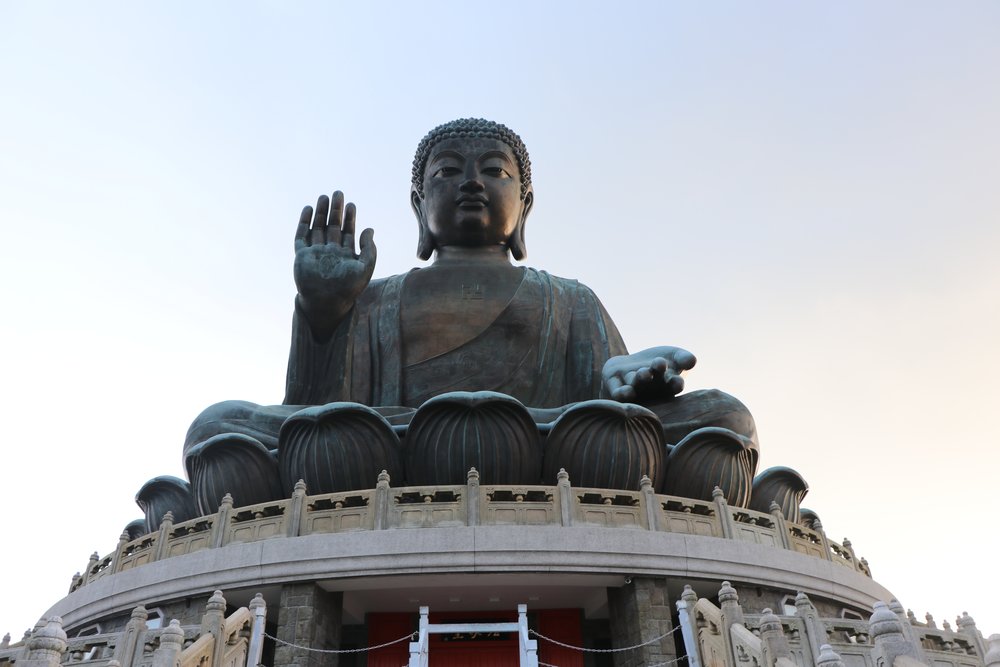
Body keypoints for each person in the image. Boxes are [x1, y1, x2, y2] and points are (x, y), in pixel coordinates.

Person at [184, 119, 756, 495]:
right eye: (448, 172)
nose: (472, 183)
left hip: (546, 440)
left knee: (726, 416)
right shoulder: (377, 298)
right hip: (395, 445)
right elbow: (317, 413)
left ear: (524, 204)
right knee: (216, 426)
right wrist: (323, 314)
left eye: (495, 171)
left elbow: (608, 408)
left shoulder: (568, 298)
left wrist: (623, 386)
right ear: (418, 204)